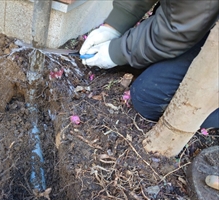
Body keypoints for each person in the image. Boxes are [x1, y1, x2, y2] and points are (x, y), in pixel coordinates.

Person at [80, 0, 219, 129]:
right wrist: (114, 25)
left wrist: (116, 52)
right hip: (195, 18)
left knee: (150, 98)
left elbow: (177, 29)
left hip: (208, 32)